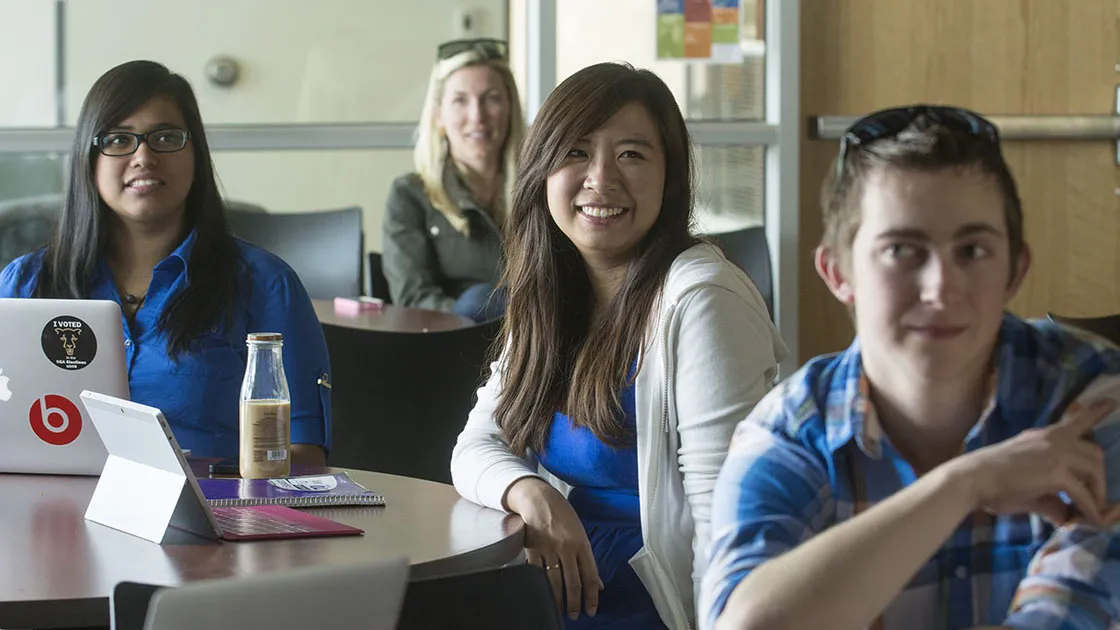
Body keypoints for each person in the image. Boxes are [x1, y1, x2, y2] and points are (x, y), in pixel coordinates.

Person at [702, 105, 1120, 630]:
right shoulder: (788, 433)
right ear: (838, 272)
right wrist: (965, 484)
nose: (940, 288)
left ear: (1015, 270)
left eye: (972, 250)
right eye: (901, 249)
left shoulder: (1095, 396)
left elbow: (1073, 615)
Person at [450, 62, 788, 629]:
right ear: (543, 170)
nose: (601, 179)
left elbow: (724, 522)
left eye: (631, 154)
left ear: (669, 176)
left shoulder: (701, 300)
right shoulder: (554, 293)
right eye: (576, 152)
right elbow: (475, 446)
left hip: (662, 603)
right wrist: (533, 494)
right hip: (567, 587)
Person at [0, 60, 331, 464]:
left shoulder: (264, 284)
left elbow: (304, 452)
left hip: (208, 519)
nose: (143, 156)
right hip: (48, 517)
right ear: (90, 158)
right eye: (119, 140)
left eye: (165, 137)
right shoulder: (25, 286)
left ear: (196, 155)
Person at [382, 38, 525, 321]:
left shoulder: (539, 190)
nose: (477, 116)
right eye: (460, 100)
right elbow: (413, 298)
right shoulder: (409, 195)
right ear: (439, 116)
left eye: (492, 99)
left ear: (510, 109)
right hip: (450, 344)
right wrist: (473, 316)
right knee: (481, 299)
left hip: (534, 341)